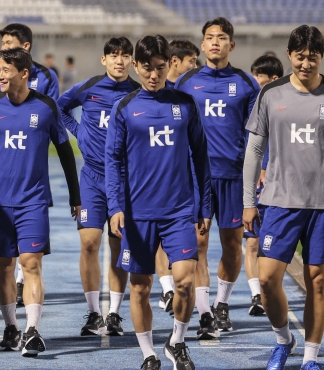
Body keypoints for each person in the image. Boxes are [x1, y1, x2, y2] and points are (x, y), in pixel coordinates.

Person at [0, 47, 80, 357]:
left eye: (6, 70)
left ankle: (32, 330)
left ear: (24, 73)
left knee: (31, 264)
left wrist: (75, 196)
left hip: (34, 202)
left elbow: (65, 152)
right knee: (4, 267)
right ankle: (11, 326)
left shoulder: (46, 107)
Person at [107, 35, 211, 370]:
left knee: (184, 279)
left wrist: (204, 207)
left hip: (179, 210)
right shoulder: (124, 107)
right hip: (138, 214)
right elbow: (113, 160)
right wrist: (115, 207)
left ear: (170, 65)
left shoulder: (184, 104)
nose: (154, 74)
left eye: (160, 67)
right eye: (147, 68)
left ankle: (176, 341)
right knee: (140, 287)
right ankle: (149, 353)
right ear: (136, 67)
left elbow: (200, 157)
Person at [243, 25, 324, 370]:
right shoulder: (271, 93)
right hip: (278, 201)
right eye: (300, 56)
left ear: (321, 56)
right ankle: (283, 339)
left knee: (318, 280)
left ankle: (310, 355)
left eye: (313, 57)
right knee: (266, 279)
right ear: (290, 55)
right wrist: (249, 201)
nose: (306, 64)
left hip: (322, 205)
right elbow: (254, 149)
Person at [175, 17, 260, 337]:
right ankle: (206, 311)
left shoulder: (246, 84)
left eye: (221, 37)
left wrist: (260, 170)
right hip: (196, 176)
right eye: (209, 37)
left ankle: (223, 304)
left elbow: (258, 135)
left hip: (233, 177)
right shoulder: (186, 82)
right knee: (197, 242)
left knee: (232, 244)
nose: (214, 42)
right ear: (201, 44)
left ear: (231, 45)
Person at [57, 36, 140, 337]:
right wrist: (78, 131)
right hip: (91, 177)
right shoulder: (89, 87)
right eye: (114, 55)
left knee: (118, 245)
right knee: (89, 242)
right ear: (104, 59)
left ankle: (115, 313)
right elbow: (59, 107)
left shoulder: (137, 92)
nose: (120, 60)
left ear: (132, 61)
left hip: (125, 180)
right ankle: (94, 313)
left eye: (125, 56)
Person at [0, 23, 59, 307]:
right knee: (4, 260)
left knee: (30, 258)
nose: (3, 47)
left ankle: (26, 289)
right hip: (1, 178)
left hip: (31, 170)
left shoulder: (47, 77)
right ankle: (10, 308)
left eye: (9, 43)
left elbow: (54, 117)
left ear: (25, 46)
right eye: (2, 43)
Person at [156, 39, 200, 315]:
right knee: (158, 239)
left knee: (197, 245)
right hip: (157, 181)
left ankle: (201, 306)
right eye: (191, 61)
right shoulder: (154, 93)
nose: (195, 67)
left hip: (186, 180)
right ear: (175, 61)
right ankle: (167, 288)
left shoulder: (190, 94)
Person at [242, 54, 284, 317]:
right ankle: (256, 294)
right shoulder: (250, 106)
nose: (253, 81)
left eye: (259, 76)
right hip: (253, 185)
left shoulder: (286, 107)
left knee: (274, 246)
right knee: (252, 243)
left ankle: (272, 290)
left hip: (279, 186)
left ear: (274, 80)